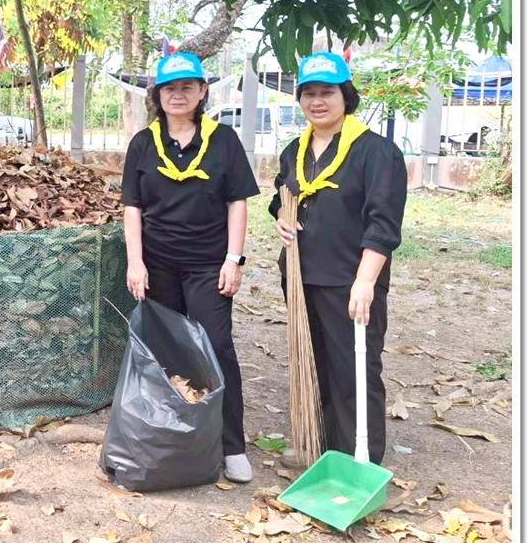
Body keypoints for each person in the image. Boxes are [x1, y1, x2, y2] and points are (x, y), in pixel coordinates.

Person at [121, 52, 261, 483]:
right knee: (164, 352)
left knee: (216, 348)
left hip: (208, 266)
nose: (177, 95)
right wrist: (135, 262)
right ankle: (171, 441)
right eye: (169, 88)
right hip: (157, 265)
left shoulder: (224, 141)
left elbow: (237, 202)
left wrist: (233, 259)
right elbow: (132, 207)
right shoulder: (143, 143)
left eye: (187, 87)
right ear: (157, 95)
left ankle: (231, 446)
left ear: (202, 92)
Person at [269, 51, 406, 466]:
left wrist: (365, 282)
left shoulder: (375, 152)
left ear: (346, 96)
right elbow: (281, 195)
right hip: (301, 276)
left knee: (354, 370)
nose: (317, 101)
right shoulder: (295, 150)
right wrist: (281, 217)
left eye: (327, 92)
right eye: (308, 93)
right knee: (314, 365)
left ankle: (358, 461)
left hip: (349, 279)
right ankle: (321, 448)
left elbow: (383, 223)